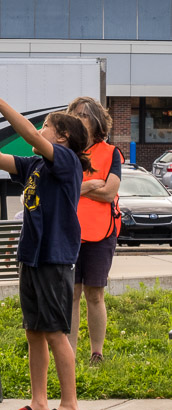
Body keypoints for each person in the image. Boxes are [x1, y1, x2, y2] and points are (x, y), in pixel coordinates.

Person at [0, 82, 90, 410]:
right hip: (32, 257)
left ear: (63, 136)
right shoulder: (35, 166)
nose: (41, 131)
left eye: (48, 126)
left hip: (54, 257)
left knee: (55, 331)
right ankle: (39, 401)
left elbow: (31, 137)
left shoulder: (65, 162)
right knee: (34, 331)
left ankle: (70, 405)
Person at [66, 97, 123, 364]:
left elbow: (110, 192)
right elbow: (63, 192)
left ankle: (96, 353)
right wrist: (90, 186)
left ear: (97, 121)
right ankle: (70, 354)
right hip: (68, 233)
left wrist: (79, 190)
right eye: (75, 114)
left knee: (95, 293)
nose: (79, 119)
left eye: (84, 115)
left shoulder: (110, 152)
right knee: (72, 294)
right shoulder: (67, 152)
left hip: (101, 233)